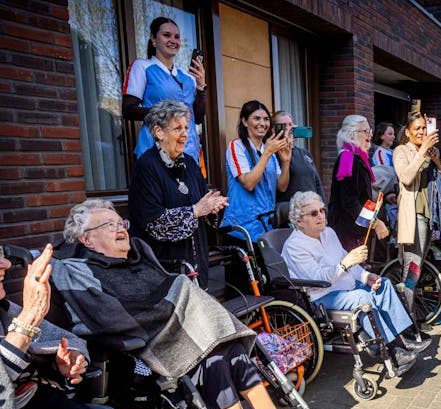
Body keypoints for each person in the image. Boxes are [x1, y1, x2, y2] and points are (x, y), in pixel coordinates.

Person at [52, 200, 329, 409]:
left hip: (177, 334)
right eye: (108, 225)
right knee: (210, 353)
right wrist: (173, 303)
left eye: (120, 222)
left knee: (229, 349)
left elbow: (163, 291)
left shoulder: (138, 256)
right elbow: (110, 316)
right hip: (143, 352)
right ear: (87, 239)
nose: (120, 228)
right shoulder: (79, 271)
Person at [0, 244, 159, 409]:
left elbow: (69, 339)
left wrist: (70, 358)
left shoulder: (4, 310)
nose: (5, 265)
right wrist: (27, 322)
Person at [282, 192, 430, 376]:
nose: (321, 215)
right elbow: (319, 279)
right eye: (313, 213)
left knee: (383, 284)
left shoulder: (328, 233)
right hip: (323, 296)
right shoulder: (294, 246)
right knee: (362, 297)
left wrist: (366, 276)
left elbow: (350, 265)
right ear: (299, 221)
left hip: (347, 286)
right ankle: (393, 351)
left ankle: (402, 339)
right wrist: (346, 263)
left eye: (322, 210)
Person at [128, 100, 227, 289]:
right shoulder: (146, 167)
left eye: (186, 128)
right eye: (177, 128)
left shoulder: (189, 163)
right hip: (166, 269)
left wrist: (213, 207)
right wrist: (196, 211)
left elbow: (202, 205)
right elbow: (154, 223)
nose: (184, 134)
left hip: (197, 265)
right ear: (159, 132)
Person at [122, 17, 206, 164]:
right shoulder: (142, 67)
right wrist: (167, 113)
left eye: (177, 37)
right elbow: (128, 110)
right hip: (155, 151)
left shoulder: (188, 77)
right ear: (154, 39)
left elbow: (198, 117)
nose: (173, 40)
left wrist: (201, 87)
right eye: (166, 35)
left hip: (189, 153)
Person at [393, 112, 441, 309]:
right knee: (412, 267)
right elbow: (406, 177)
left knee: (418, 268)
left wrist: (437, 162)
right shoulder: (401, 151)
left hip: (430, 217)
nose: (421, 132)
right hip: (414, 216)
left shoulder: (431, 152)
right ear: (408, 132)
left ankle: (410, 314)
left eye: (424, 128)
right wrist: (422, 151)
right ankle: (406, 319)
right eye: (417, 128)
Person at [222, 100, 291, 242]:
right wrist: (267, 153)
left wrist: (286, 162)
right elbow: (248, 183)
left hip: (266, 226)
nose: (262, 123)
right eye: (256, 118)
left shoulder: (268, 148)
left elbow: (282, 186)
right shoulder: (237, 146)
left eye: (266, 119)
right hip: (242, 228)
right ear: (244, 122)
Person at [327, 115, 389, 251]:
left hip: (354, 229)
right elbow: (349, 201)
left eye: (370, 131)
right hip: (346, 231)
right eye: (365, 131)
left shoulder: (357, 158)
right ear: (352, 134)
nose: (370, 135)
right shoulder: (347, 158)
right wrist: (375, 223)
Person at [272, 111, 325, 205]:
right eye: (284, 126)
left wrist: (323, 207)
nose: (290, 128)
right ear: (275, 130)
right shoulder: (274, 154)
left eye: (291, 124)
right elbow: (279, 187)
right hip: (292, 210)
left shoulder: (305, 153)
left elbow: (317, 183)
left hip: (312, 209)